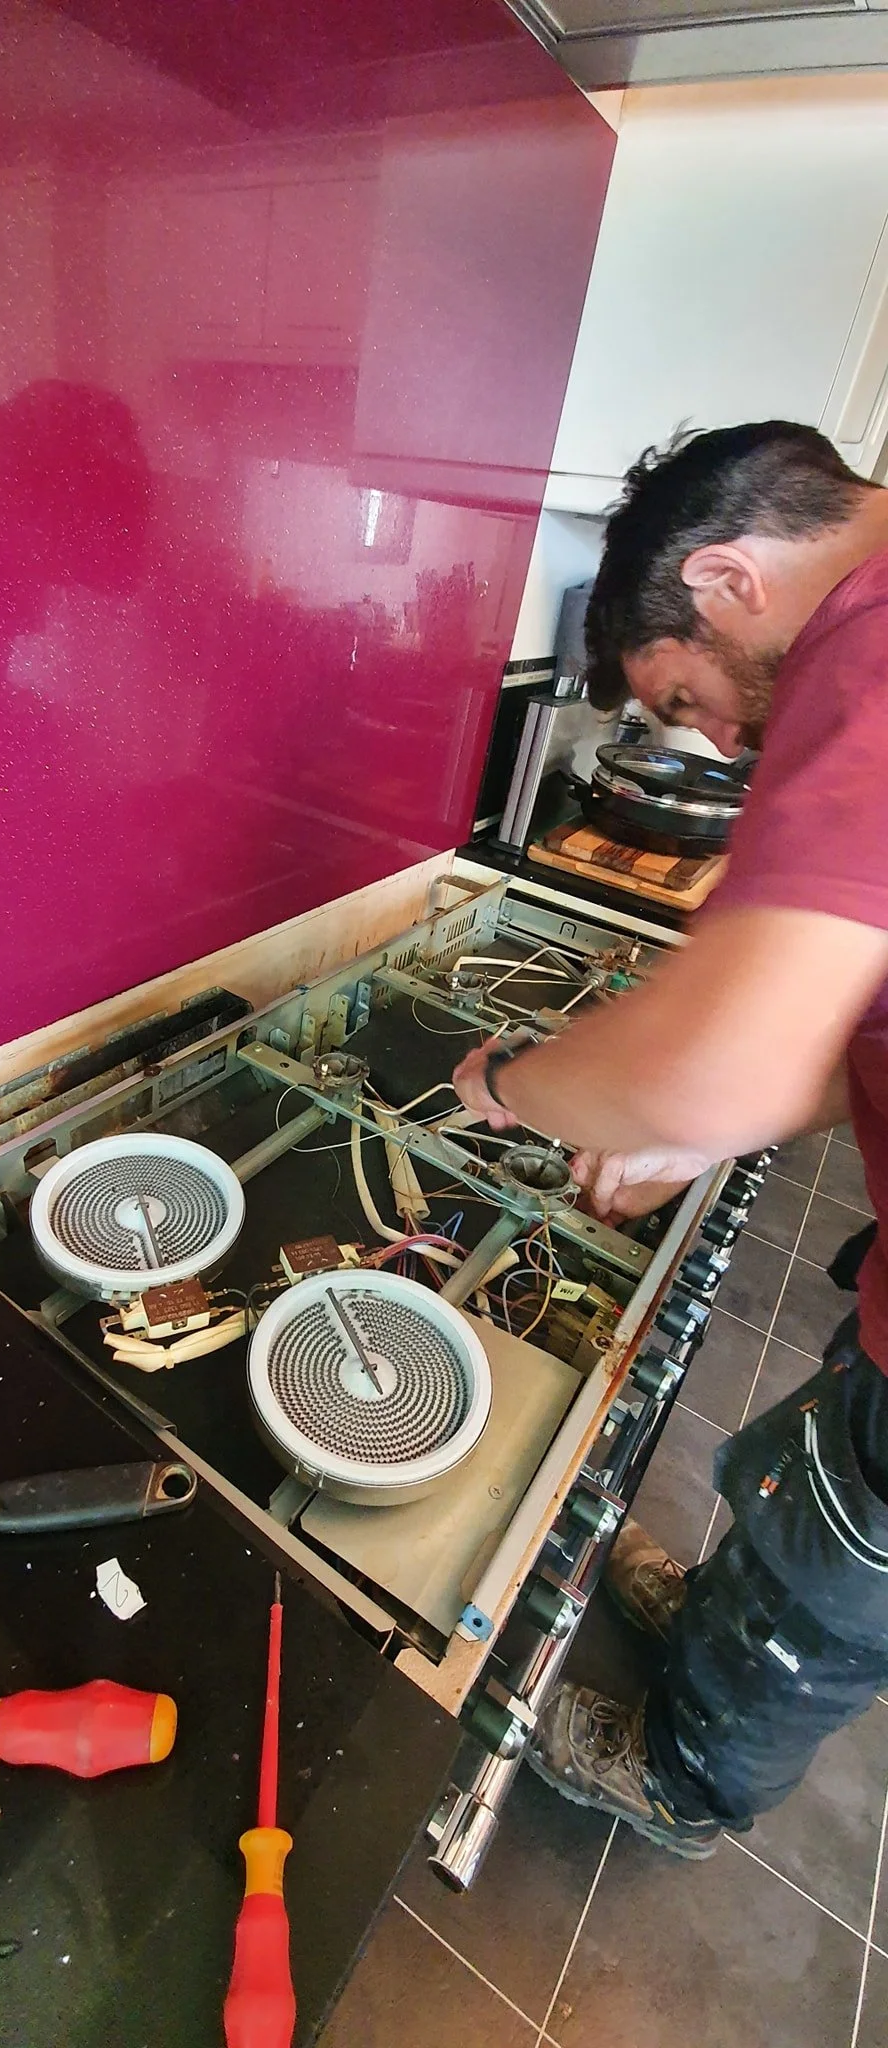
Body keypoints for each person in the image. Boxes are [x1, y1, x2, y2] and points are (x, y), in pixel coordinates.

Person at [451, 422, 888, 1859]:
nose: (725, 743)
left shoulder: (869, 647)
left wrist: (512, 1084)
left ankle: (685, 1782)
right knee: (820, 1492)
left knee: (841, 1568)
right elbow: (845, 1028)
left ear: (726, 576)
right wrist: (703, 1129)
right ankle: (712, 1616)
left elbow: (716, 1057)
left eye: (695, 696)